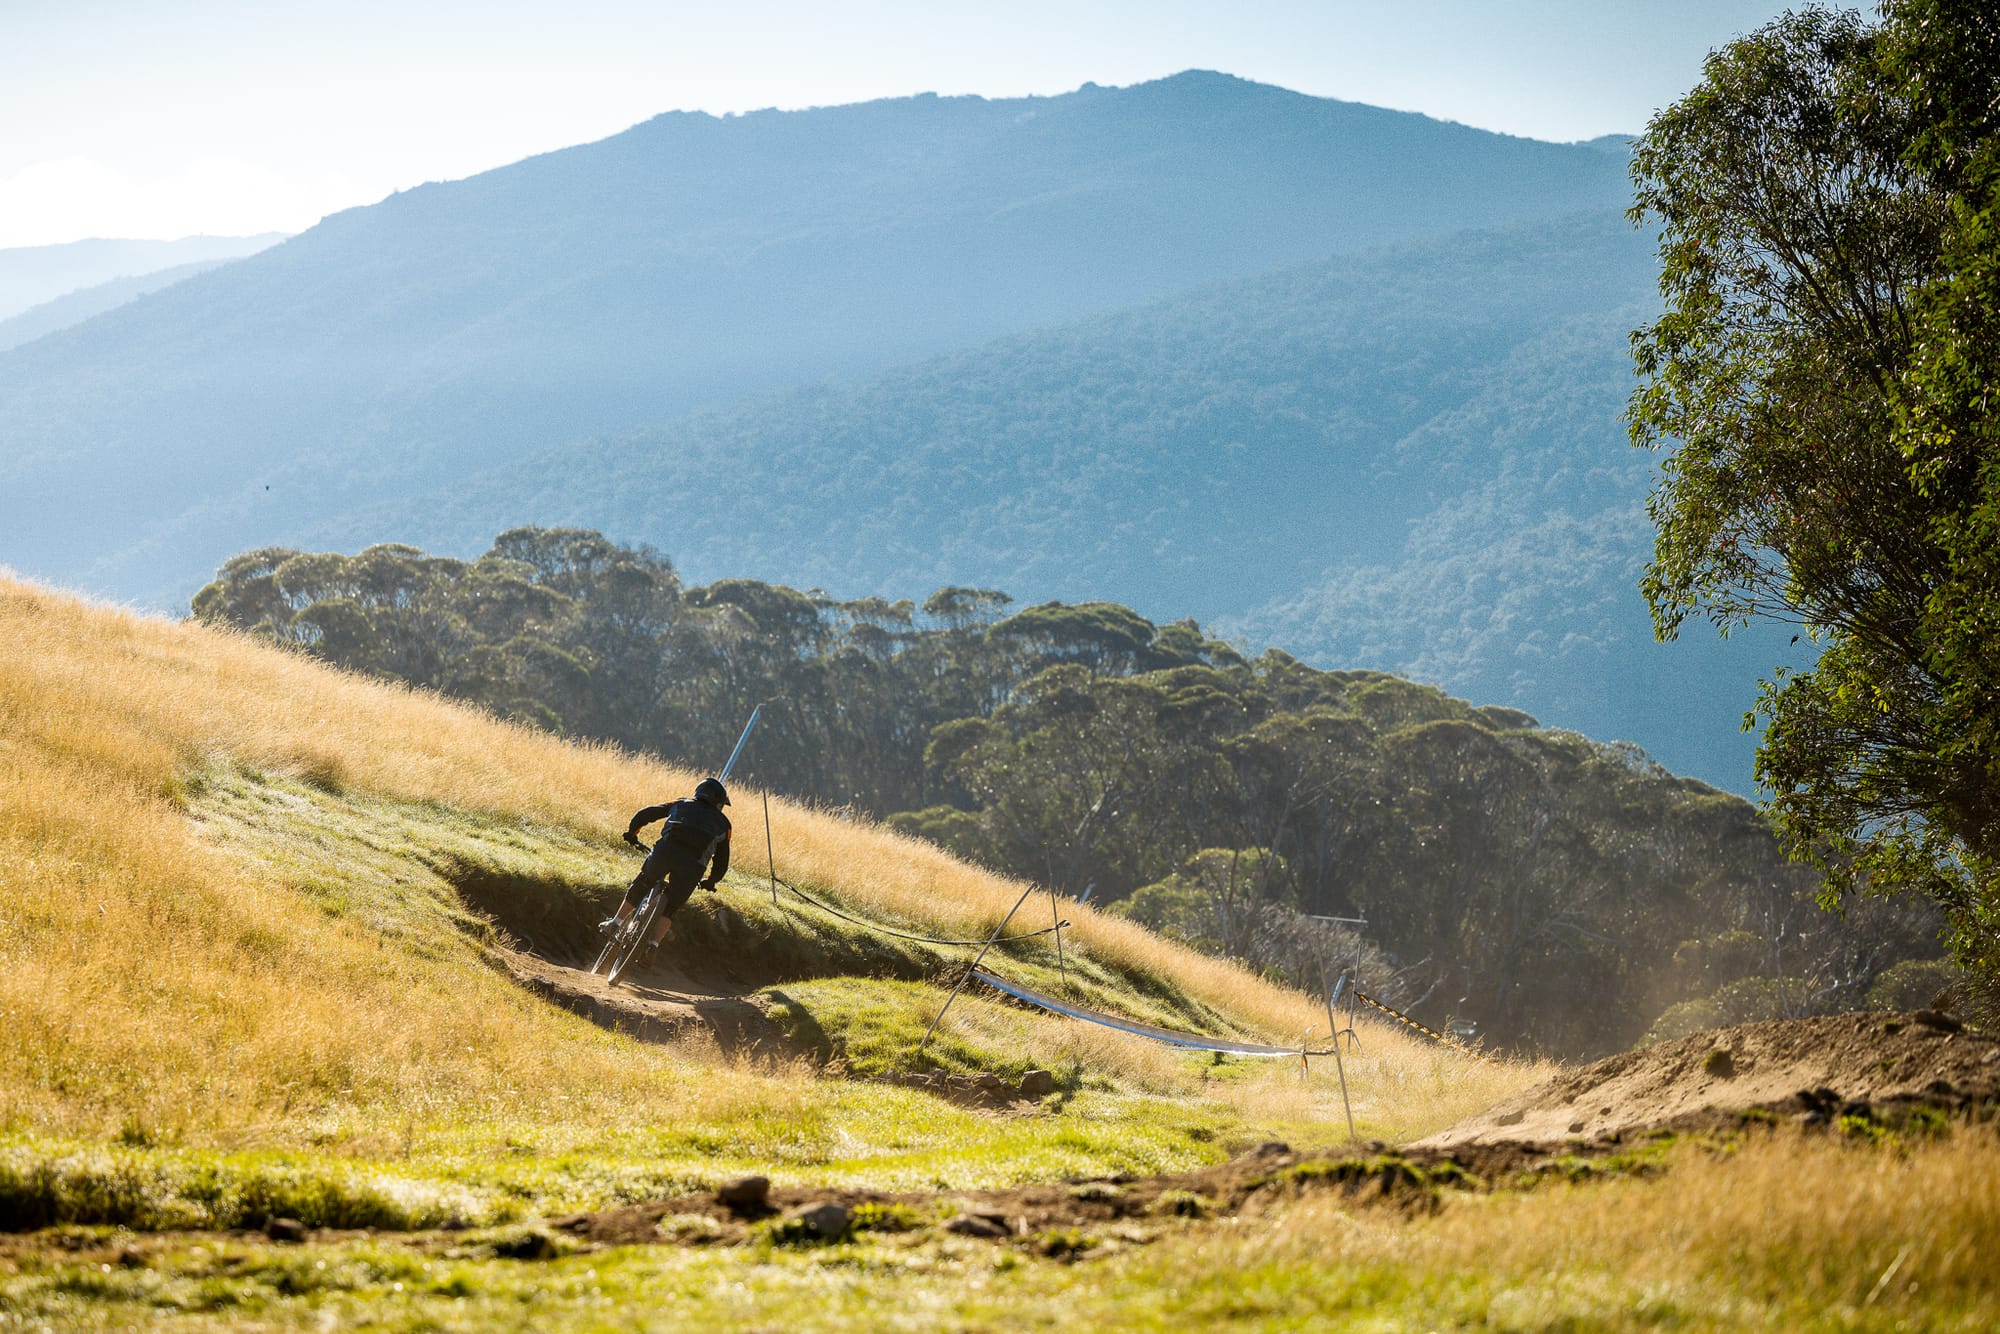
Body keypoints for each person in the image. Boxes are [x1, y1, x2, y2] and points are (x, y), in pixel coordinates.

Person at [599, 776, 732, 958]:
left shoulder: (681, 804)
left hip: (664, 854)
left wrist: (632, 833)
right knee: (671, 907)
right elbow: (722, 860)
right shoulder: (724, 825)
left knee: (643, 882)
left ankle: (615, 922)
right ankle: (652, 947)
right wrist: (711, 880)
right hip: (692, 867)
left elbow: (646, 813)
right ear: (718, 802)